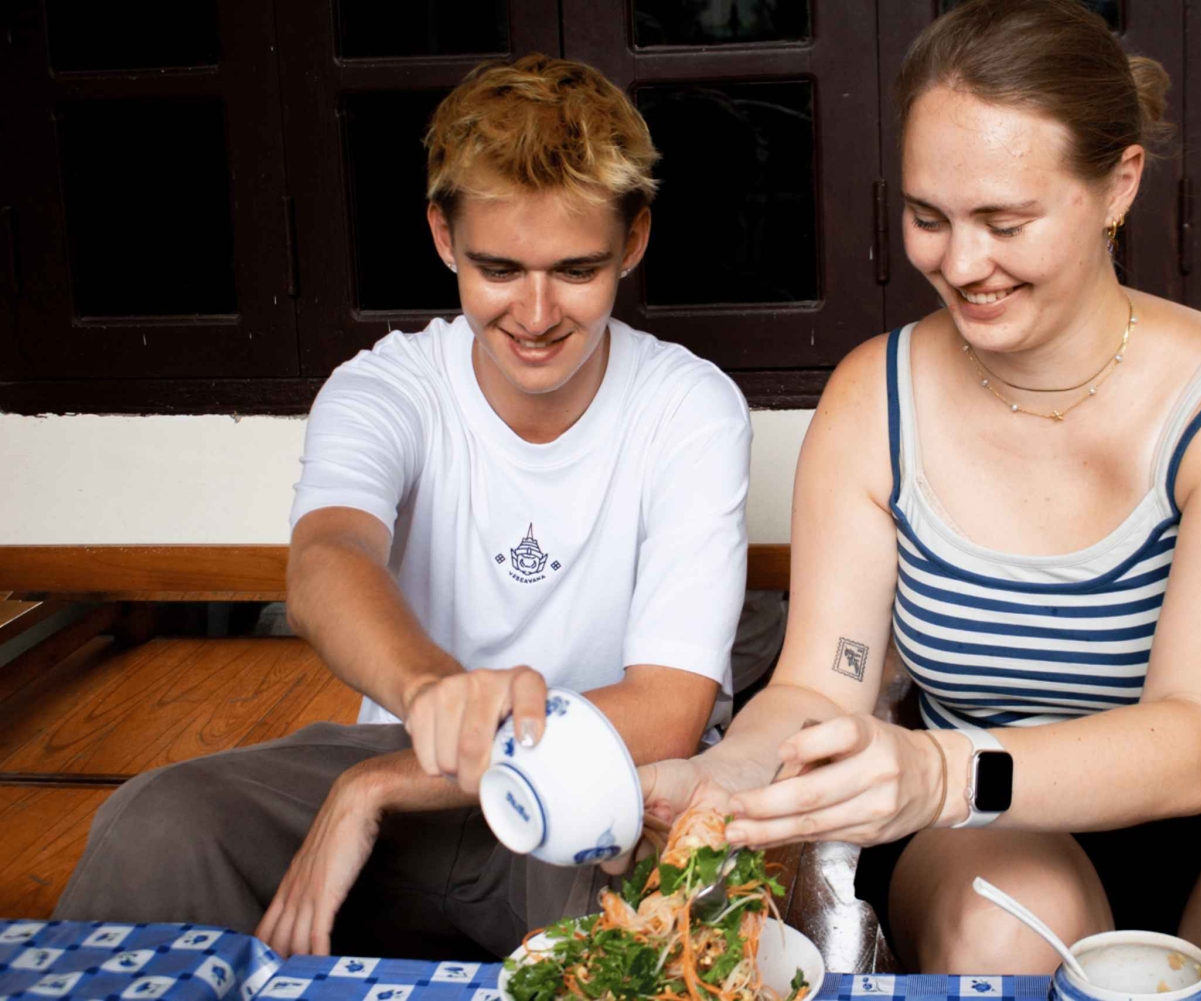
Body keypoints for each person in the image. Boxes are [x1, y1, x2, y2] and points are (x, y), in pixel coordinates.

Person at [637, 2, 1201, 998]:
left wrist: (937, 768)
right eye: (929, 218)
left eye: (1006, 223)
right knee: (1005, 929)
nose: (962, 265)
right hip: (985, 829)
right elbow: (821, 686)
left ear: (1119, 184)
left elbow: (1191, 742)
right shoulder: (875, 398)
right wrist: (723, 777)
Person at [53, 54, 753, 962]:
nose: (537, 312)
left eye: (576, 269)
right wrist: (431, 696)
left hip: (597, 784)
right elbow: (327, 559)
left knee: (643, 899)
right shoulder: (385, 386)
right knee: (155, 821)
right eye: (499, 268)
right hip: (407, 758)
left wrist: (382, 782)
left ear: (634, 242)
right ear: (443, 237)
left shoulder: (691, 406)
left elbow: (665, 714)